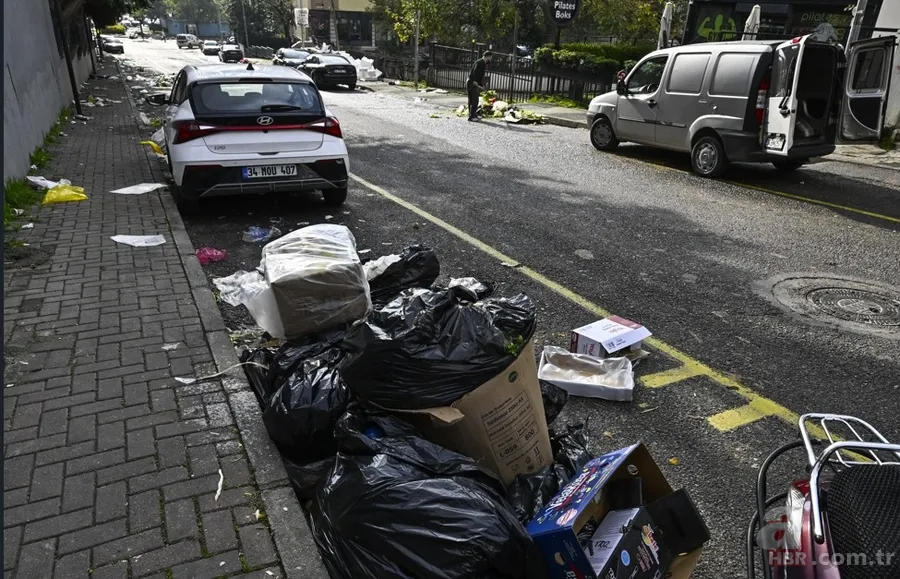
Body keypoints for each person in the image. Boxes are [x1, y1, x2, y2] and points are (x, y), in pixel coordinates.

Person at [466, 51, 491, 122]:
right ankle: (471, 116)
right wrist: (473, 80)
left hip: (472, 83)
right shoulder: (480, 63)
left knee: (471, 100)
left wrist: (481, 85)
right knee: (474, 100)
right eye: (490, 57)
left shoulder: (482, 63)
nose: (490, 59)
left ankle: (472, 114)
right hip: (472, 83)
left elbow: (479, 76)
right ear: (488, 56)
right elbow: (474, 72)